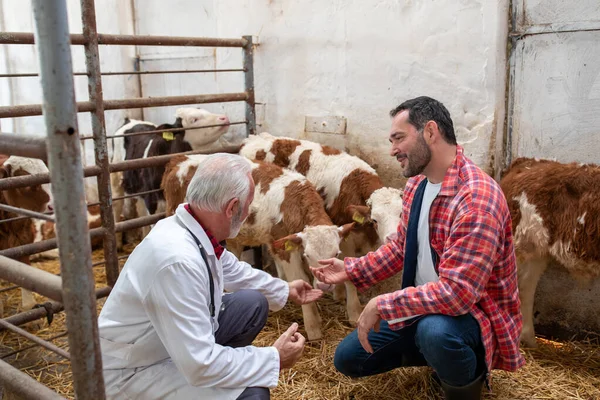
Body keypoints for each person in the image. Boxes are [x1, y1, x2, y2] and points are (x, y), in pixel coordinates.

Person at [311, 96, 525, 400]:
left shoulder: (476, 200)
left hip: (470, 316)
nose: (392, 149)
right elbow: (401, 247)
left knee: (436, 334)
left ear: (430, 132)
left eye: (399, 138)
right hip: (423, 306)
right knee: (348, 358)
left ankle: (466, 378)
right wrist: (350, 268)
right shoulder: (417, 185)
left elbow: (457, 294)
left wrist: (381, 304)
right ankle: (436, 354)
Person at [98, 153, 323, 400]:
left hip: (166, 343)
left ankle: (224, 371)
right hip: (134, 368)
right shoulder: (177, 261)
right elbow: (200, 364)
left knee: (252, 303)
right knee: (253, 392)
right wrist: (273, 358)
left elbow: (232, 269)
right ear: (232, 208)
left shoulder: (189, 228)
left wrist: (284, 289)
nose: (250, 210)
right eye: (249, 203)